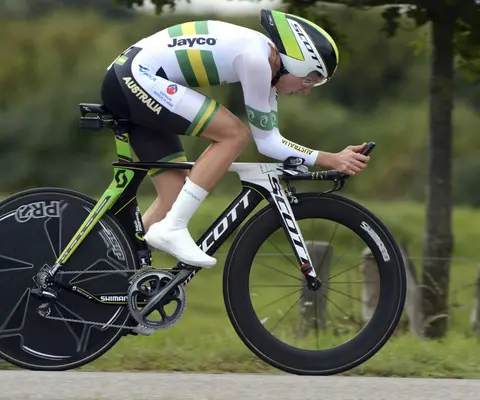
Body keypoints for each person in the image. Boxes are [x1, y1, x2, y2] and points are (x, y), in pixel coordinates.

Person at [100, 9, 370, 269]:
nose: (306, 90)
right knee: (233, 134)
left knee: (173, 198)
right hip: (135, 78)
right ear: (298, 63)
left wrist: (325, 158)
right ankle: (173, 228)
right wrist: (329, 159)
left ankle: (109, 270)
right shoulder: (255, 60)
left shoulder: (264, 59)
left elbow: (270, 142)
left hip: (131, 79)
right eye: (311, 80)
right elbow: (264, 143)